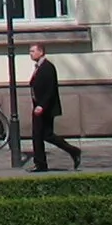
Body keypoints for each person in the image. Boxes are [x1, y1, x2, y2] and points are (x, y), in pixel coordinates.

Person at [27, 44, 82, 172]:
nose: (30, 54)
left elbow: (51, 90)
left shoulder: (48, 67)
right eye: (30, 51)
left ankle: (73, 151)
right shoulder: (39, 67)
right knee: (39, 135)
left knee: (45, 134)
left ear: (41, 52)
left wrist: (42, 105)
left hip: (44, 107)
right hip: (38, 106)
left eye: (32, 51)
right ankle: (41, 163)